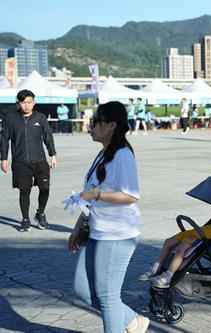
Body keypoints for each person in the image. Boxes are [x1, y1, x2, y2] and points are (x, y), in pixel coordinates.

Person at [67, 101, 149, 333]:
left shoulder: (122, 155)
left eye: (96, 122)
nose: (90, 126)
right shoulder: (102, 154)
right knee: (82, 289)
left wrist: (98, 194)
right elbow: (90, 197)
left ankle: (128, 324)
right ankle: (133, 321)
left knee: (107, 296)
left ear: (112, 125)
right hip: (97, 231)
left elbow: (131, 195)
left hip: (118, 234)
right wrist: (77, 228)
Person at [1, 89, 57, 232]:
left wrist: (53, 154)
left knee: (45, 188)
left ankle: (40, 213)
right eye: (23, 102)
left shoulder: (40, 118)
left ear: (34, 102)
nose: (27, 105)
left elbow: (48, 136)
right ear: (18, 103)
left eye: (30, 102)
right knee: (24, 191)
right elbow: (4, 139)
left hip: (39, 161)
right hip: (20, 162)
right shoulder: (10, 118)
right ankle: (25, 219)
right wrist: (4, 158)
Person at [137, 220, 211, 288]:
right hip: (196, 232)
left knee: (180, 249)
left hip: (202, 236)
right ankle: (155, 269)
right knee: (168, 242)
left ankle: (168, 276)